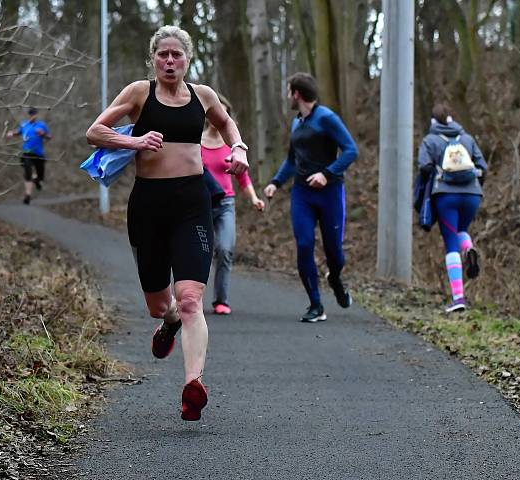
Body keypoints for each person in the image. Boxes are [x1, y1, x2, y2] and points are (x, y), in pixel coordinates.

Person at [85, 26, 249, 421]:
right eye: (163, 55)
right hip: (149, 206)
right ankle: (170, 322)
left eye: (177, 55)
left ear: (187, 59)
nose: (170, 61)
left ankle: (193, 385)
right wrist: (135, 142)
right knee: (161, 305)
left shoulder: (202, 95)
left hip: (193, 205)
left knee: (192, 298)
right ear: (153, 58)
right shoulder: (138, 93)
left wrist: (239, 147)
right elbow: (95, 131)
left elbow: (227, 124)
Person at [263, 72, 358, 323]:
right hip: (302, 193)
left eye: (288, 92)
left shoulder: (326, 118)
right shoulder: (297, 123)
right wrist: (275, 182)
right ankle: (315, 304)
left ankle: (335, 279)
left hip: (330, 193)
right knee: (304, 244)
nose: (287, 97)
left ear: (296, 93)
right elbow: (292, 161)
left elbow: (351, 150)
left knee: (334, 253)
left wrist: (327, 174)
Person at [417, 104, 487, 313]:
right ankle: (468, 248)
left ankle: (458, 298)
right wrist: (474, 187)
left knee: (450, 243)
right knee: (461, 231)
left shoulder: (430, 140)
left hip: (446, 196)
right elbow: (483, 167)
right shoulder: (467, 138)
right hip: (472, 195)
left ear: (432, 122)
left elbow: (423, 167)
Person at [201, 94, 265, 315]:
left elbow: (242, 177)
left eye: (225, 112)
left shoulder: (232, 145)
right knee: (200, 253)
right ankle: (191, 299)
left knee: (225, 249)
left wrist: (254, 198)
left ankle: (221, 300)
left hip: (226, 203)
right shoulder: (196, 141)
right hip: (200, 205)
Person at [6, 107, 52, 204]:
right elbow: (18, 132)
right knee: (28, 173)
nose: (33, 116)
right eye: (31, 114)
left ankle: (37, 179)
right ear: (29, 115)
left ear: (36, 115)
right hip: (27, 153)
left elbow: (49, 136)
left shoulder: (41, 125)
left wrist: (43, 134)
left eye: (34, 114)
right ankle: (28, 195)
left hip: (38, 154)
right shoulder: (24, 125)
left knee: (40, 176)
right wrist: (11, 133)